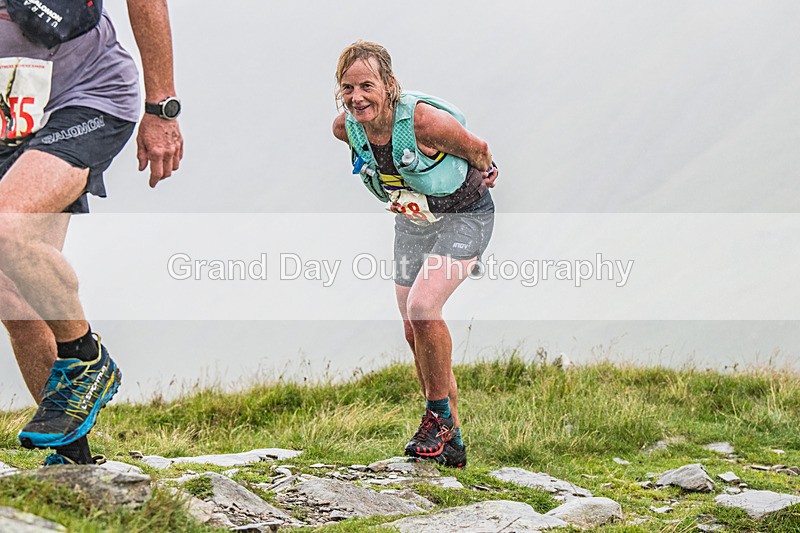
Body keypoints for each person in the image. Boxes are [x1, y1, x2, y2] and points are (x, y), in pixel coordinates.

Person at [0, 0, 183, 464]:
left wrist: (161, 108)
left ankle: (84, 355)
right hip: (12, 108)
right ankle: (70, 459)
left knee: (8, 226)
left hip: (86, 96)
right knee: (13, 297)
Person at [332, 41, 498, 468]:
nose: (357, 97)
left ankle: (436, 417)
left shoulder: (422, 121)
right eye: (348, 88)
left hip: (465, 216)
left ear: (389, 85)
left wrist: (488, 169)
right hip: (412, 223)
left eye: (366, 86)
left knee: (424, 307)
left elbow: (479, 149)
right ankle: (452, 439)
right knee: (412, 328)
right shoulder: (345, 128)